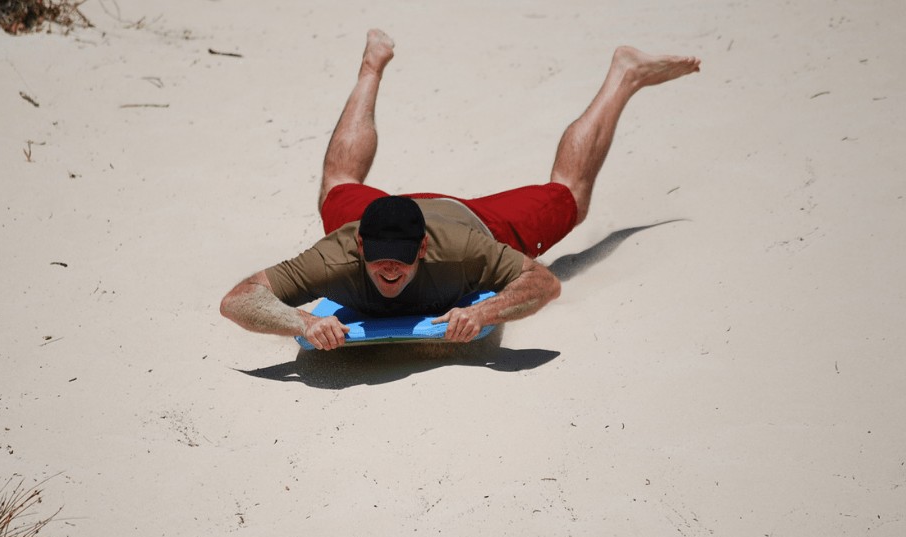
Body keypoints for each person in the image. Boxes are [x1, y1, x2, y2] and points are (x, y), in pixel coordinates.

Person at [220, 29, 700, 350]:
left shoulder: (465, 251)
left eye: (402, 256)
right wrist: (301, 322)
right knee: (340, 185)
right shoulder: (338, 253)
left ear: (423, 247)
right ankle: (372, 65)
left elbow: (544, 282)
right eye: (379, 255)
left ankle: (625, 74)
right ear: (360, 244)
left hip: (473, 220)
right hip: (374, 212)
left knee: (571, 196)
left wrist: (488, 308)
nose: (389, 267)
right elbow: (239, 298)